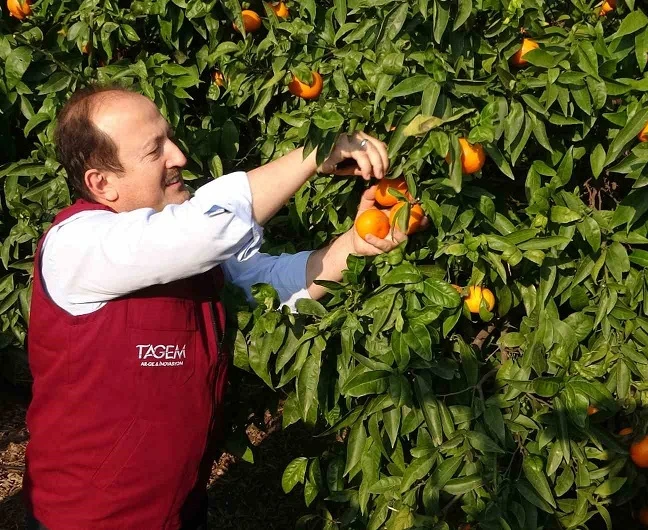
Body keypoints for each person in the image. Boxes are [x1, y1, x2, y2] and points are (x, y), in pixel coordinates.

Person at [23, 84, 408, 530]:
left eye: (170, 138)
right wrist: (312, 155)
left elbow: (266, 283)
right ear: (101, 183)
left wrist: (353, 244)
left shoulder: (176, 246)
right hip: (87, 518)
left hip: (178, 505)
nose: (179, 156)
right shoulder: (77, 245)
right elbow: (203, 232)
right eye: (155, 150)